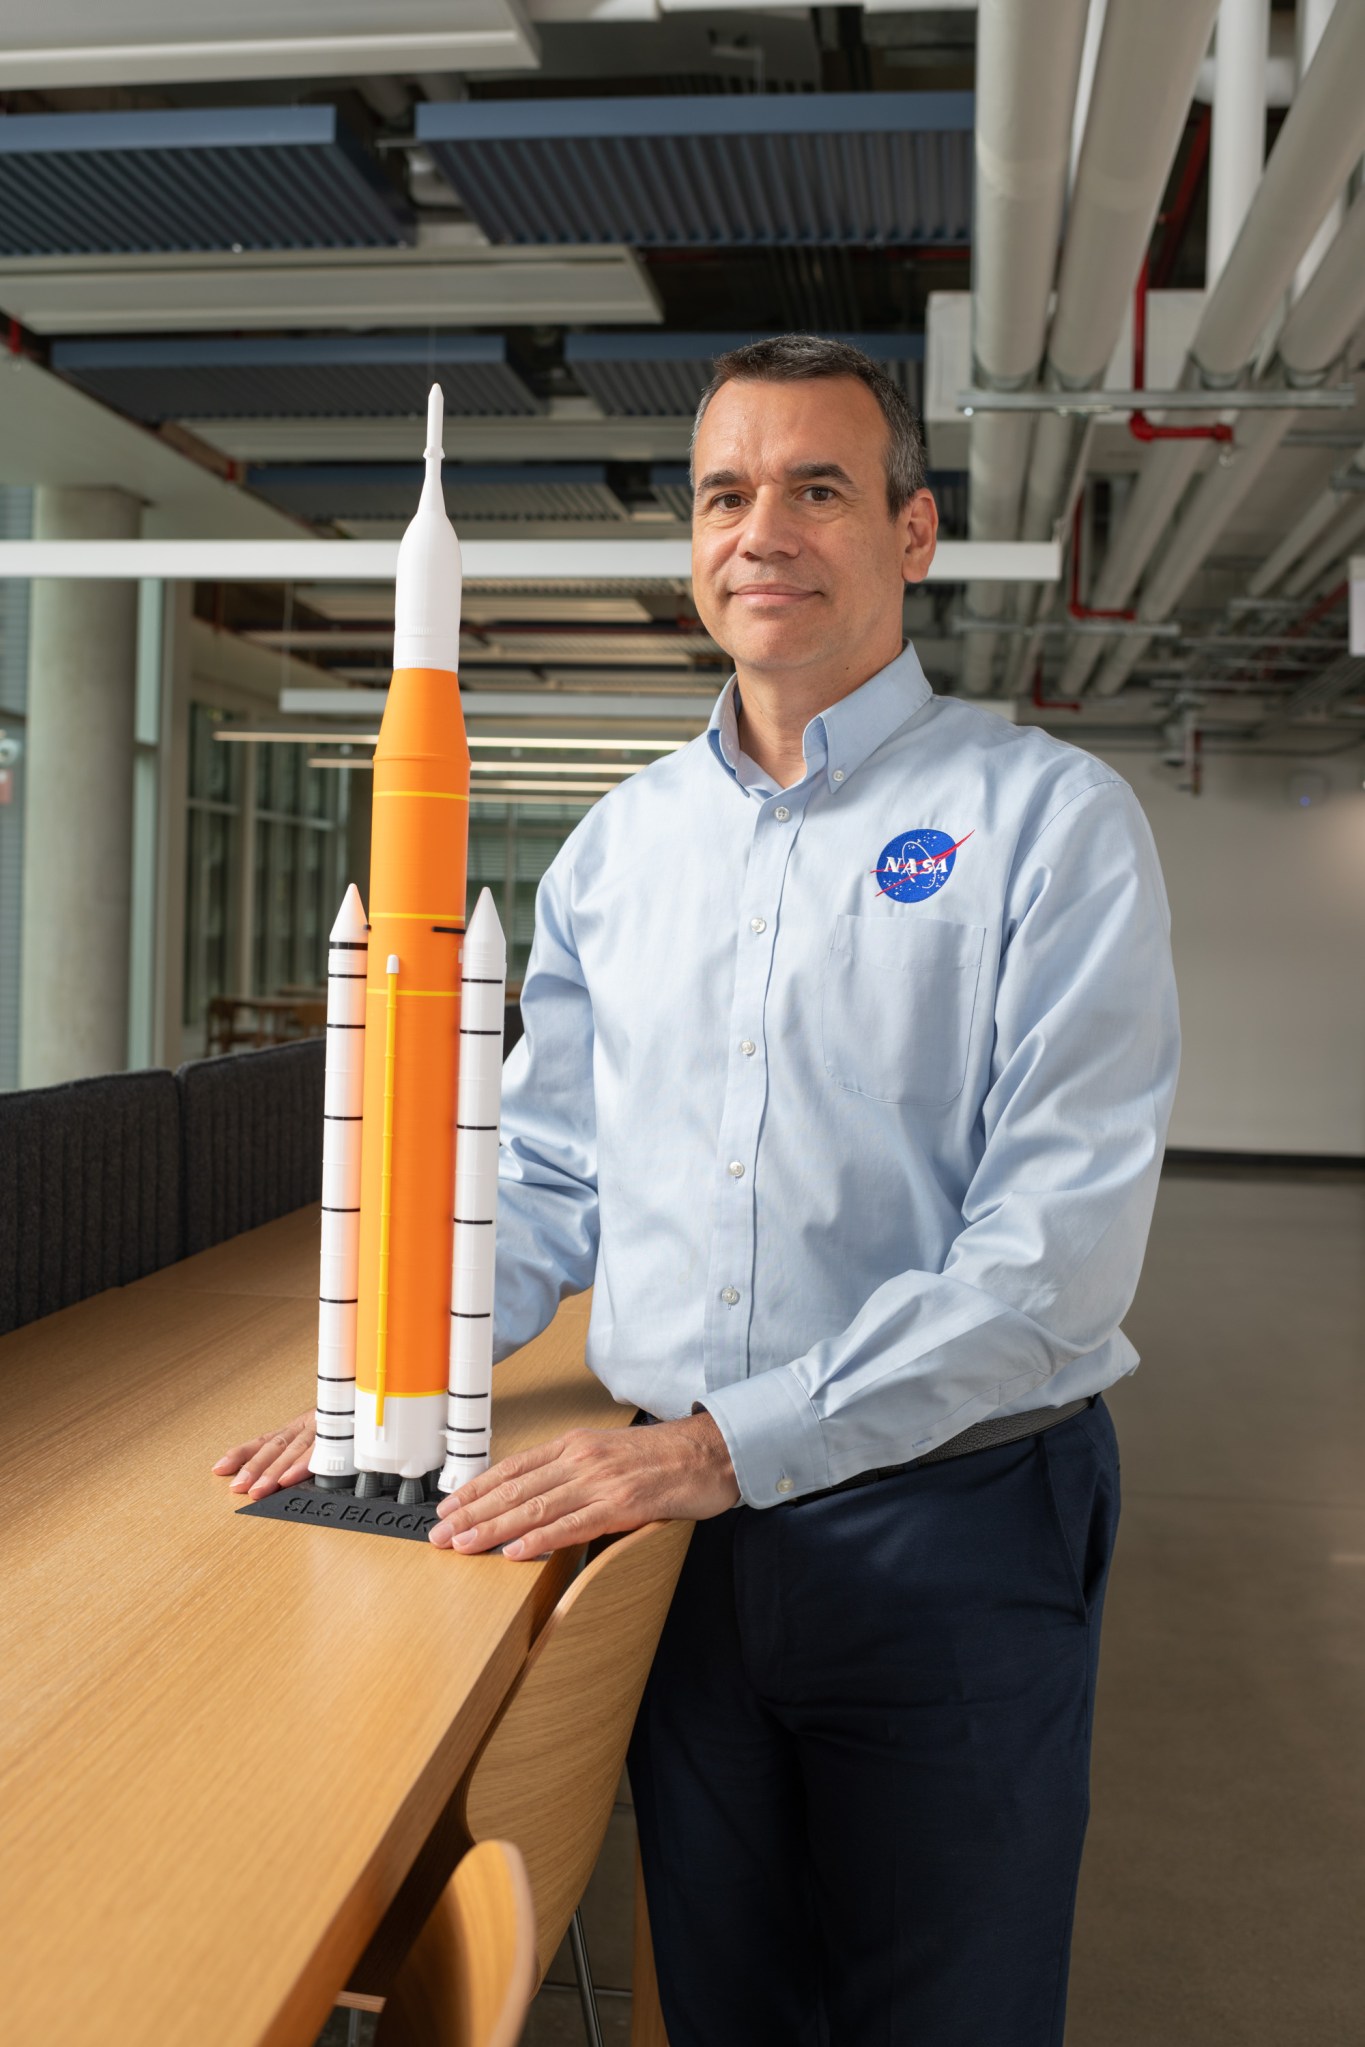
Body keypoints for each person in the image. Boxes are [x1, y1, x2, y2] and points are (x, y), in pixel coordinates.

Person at [216, 336, 1180, 2045]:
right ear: (692, 545)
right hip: (677, 1542)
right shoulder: (619, 849)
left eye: (818, 487)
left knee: (944, 2005)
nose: (764, 531)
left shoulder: (1049, 823)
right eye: (727, 493)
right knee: (723, 1999)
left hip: (946, 1520)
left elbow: (1051, 1258)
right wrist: (390, 1387)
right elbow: (554, 1171)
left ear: (913, 533)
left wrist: (715, 1449)